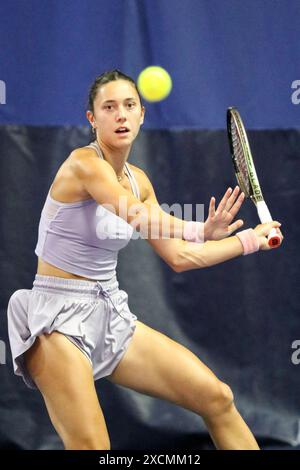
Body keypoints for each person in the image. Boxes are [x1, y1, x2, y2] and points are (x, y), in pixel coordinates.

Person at [7, 69, 282, 450]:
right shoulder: (83, 164)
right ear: (92, 118)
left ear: (141, 115)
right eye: (109, 107)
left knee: (217, 398)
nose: (120, 115)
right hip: (57, 321)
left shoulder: (139, 181)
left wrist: (248, 241)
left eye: (129, 105)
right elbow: (137, 216)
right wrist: (200, 229)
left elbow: (180, 257)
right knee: (93, 448)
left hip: (111, 315)